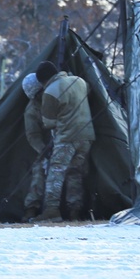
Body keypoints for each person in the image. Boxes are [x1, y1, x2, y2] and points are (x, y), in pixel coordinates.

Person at [34, 60, 95, 222]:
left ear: (43, 80)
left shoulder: (50, 91)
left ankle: (52, 210)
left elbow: (48, 122)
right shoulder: (80, 81)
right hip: (87, 135)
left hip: (67, 137)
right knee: (75, 173)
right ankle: (74, 210)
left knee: (56, 172)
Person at [20, 73, 52, 221]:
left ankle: (75, 210)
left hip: (66, 138)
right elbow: (33, 135)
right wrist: (44, 150)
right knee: (39, 171)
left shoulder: (57, 93)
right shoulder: (32, 110)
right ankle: (31, 209)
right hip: (47, 146)